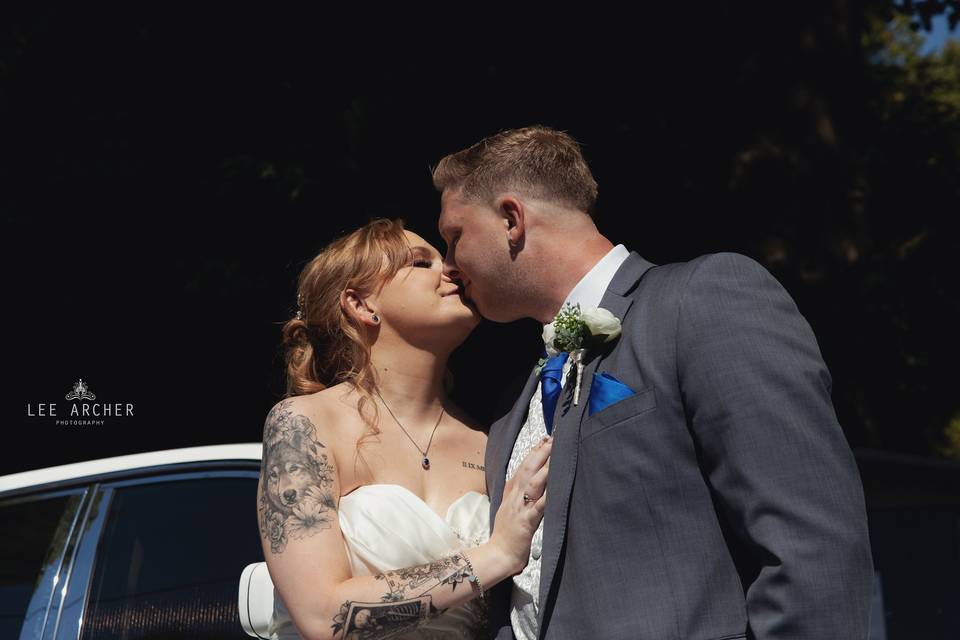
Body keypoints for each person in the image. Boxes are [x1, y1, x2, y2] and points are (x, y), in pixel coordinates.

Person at [433, 125, 875, 639]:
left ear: (512, 219)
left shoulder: (702, 300)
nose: (448, 265)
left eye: (453, 238)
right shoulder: (514, 402)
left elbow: (811, 543)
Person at [258, 218, 553, 640]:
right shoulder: (304, 424)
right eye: (421, 262)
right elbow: (323, 616)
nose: (452, 269)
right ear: (361, 305)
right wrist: (497, 555)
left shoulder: (491, 440)